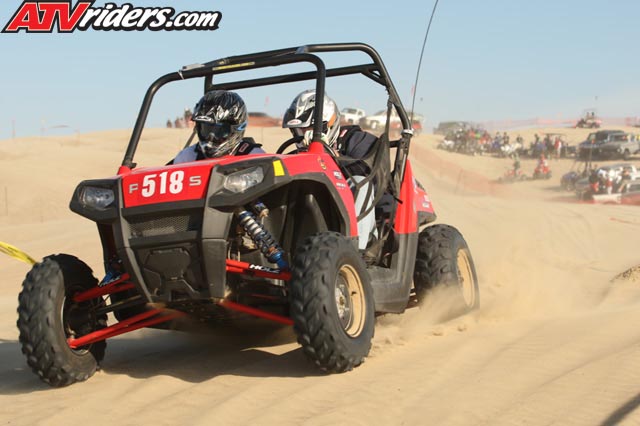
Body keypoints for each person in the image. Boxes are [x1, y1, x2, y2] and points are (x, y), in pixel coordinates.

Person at [282, 89, 378, 251]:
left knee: (361, 182)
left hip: (358, 221)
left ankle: (356, 253)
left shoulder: (357, 139)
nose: (303, 136)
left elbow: (367, 171)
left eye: (309, 129)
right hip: (315, 222)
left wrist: (330, 156)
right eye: (299, 130)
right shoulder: (296, 155)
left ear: (329, 125)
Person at [172, 90, 263, 164]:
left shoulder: (254, 156)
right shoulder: (188, 157)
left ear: (236, 129)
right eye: (206, 130)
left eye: (220, 131)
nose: (211, 138)